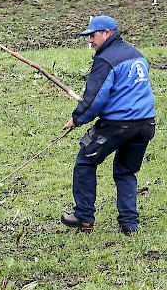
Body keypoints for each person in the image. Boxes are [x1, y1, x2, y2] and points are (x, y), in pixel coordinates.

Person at [61, 15, 156, 235]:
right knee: (126, 171)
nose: (90, 41)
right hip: (145, 123)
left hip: (118, 124)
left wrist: (77, 119)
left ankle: (84, 217)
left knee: (85, 161)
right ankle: (129, 225)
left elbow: (96, 97)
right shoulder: (136, 54)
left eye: (93, 36)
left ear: (107, 33)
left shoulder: (105, 60)